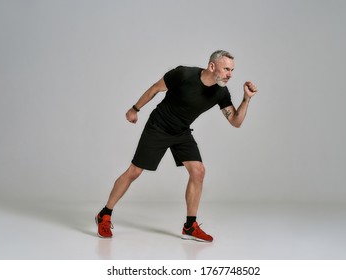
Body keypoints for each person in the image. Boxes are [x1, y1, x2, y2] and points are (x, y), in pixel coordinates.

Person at [95, 50, 258, 242]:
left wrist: (246, 99)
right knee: (134, 171)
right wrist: (135, 109)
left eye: (232, 70)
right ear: (212, 66)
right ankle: (104, 214)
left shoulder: (221, 92)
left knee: (198, 171)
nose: (230, 74)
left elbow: (236, 122)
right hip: (159, 126)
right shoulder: (184, 74)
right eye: (226, 69)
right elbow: (155, 88)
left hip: (181, 131)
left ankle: (190, 226)